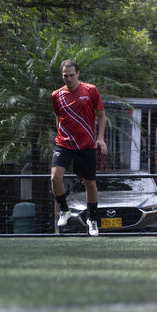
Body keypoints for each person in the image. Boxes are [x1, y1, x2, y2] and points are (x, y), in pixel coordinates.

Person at [50, 60, 107, 237]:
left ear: (78, 74)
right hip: (64, 143)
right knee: (54, 177)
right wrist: (60, 133)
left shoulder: (91, 90)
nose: (68, 79)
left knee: (90, 183)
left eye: (71, 75)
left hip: (86, 145)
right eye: (65, 76)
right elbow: (59, 116)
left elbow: (101, 114)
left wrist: (100, 138)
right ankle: (64, 210)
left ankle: (92, 219)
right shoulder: (56, 95)